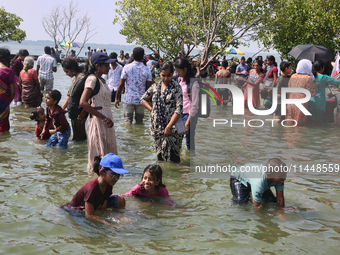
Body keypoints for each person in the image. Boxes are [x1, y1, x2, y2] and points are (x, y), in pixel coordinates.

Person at [62, 153, 128, 225]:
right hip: (74, 211)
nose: (116, 178)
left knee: (120, 200)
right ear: (102, 173)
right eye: (113, 174)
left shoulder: (109, 184)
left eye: (119, 175)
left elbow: (103, 209)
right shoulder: (91, 188)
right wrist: (107, 224)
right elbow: (89, 215)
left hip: (94, 205)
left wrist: (120, 217)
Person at [79, 52, 117, 173]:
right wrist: (103, 118)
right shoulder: (92, 79)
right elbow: (83, 102)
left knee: (107, 148)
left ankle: (107, 178)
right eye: (106, 65)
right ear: (97, 66)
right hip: (98, 119)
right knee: (98, 151)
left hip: (105, 117)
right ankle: (96, 179)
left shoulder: (102, 81)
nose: (109, 67)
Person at [141, 61, 183, 162]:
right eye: (163, 75)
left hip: (175, 124)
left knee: (175, 156)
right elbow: (143, 99)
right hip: (157, 126)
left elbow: (180, 108)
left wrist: (168, 126)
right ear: (159, 73)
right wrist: (152, 110)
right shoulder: (155, 86)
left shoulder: (176, 87)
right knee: (160, 156)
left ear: (173, 74)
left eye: (169, 75)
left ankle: (175, 177)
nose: (166, 78)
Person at [115, 47, 153, 124]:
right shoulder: (147, 70)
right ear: (143, 57)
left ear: (132, 55)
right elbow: (149, 88)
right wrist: (150, 101)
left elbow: (121, 83)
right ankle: (139, 136)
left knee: (127, 122)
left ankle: (128, 136)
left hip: (129, 100)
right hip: (141, 101)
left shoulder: (126, 67)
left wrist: (116, 98)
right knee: (140, 122)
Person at [174, 58, 200, 151]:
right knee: (178, 139)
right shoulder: (180, 80)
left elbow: (195, 105)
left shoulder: (194, 83)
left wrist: (188, 123)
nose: (177, 73)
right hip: (179, 114)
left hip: (189, 116)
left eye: (178, 71)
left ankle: (190, 161)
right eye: (176, 71)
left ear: (185, 69)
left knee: (189, 142)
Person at [61, 58, 87, 141]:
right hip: (74, 112)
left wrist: (84, 111)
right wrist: (61, 109)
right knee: (76, 137)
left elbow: (89, 97)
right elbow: (69, 95)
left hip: (80, 112)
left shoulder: (82, 78)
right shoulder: (75, 78)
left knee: (80, 138)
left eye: (67, 72)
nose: (66, 74)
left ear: (72, 69)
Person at [308, 60, 340, 125]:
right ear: (322, 68)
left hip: (310, 102)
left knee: (310, 123)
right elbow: (337, 82)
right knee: (319, 122)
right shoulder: (324, 77)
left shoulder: (311, 76)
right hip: (320, 102)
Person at [286, 59, 316, 126]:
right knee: (299, 125)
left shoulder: (293, 76)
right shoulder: (308, 78)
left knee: (289, 124)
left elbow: (288, 90)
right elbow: (311, 94)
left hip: (290, 101)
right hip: (301, 102)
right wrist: (315, 88)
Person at [0, 48, 16, 133]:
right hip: (3, 100)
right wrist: (8, 103)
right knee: (2, 125)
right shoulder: (8, 71)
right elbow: (13, 92)